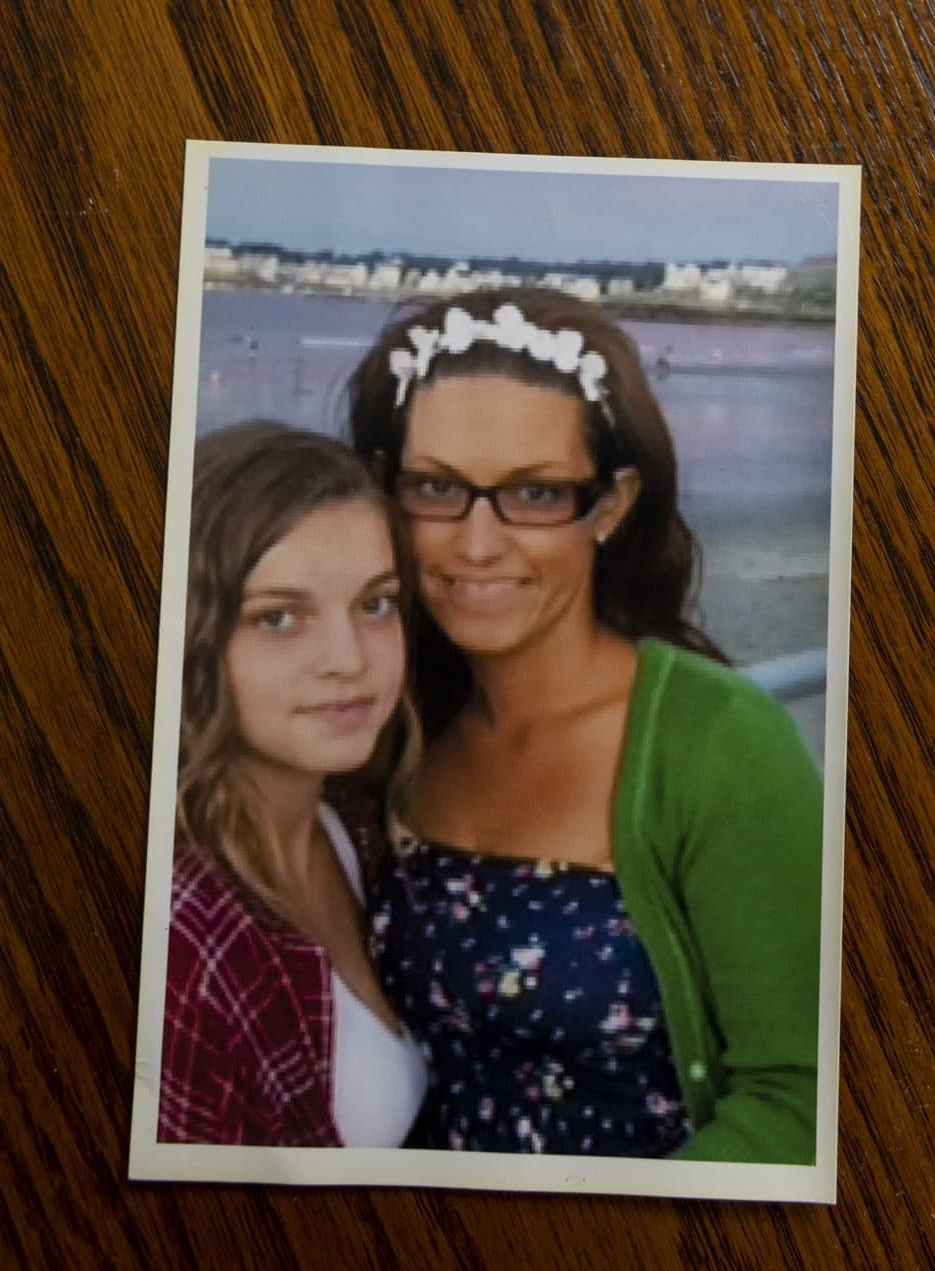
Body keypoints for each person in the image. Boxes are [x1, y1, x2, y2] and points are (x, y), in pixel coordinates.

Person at [346, 288, 824, 1163]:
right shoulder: (387, 725)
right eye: (437, 487)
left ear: (610, 504)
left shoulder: (720, 744)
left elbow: (801, 1099)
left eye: (534, 492)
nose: (478, 543)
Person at [158, 421, 427, 1148]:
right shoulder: (185, 942)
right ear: (191, 637)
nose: (348, 659)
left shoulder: (357, 825)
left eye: (375, 604)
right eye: (279, 618)